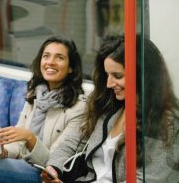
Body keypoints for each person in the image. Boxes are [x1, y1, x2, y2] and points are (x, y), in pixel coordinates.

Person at [41, 35, 179, 182]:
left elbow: (147, 179)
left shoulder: (168, 123)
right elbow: (72, 142)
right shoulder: (107, 106)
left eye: (117, 76)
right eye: (107, 75)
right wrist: (53, 168)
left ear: (142, 76)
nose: (109, 84)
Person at [0, 35, 87, 183]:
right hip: (23, 165)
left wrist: (30, 138)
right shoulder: (35, 96)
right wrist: (2, 152)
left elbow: (55, 163)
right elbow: (17, 145)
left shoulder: (79, 108)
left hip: (45, 174)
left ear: (71, 68)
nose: (50, 62)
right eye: (46, 56)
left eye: (59, 58)